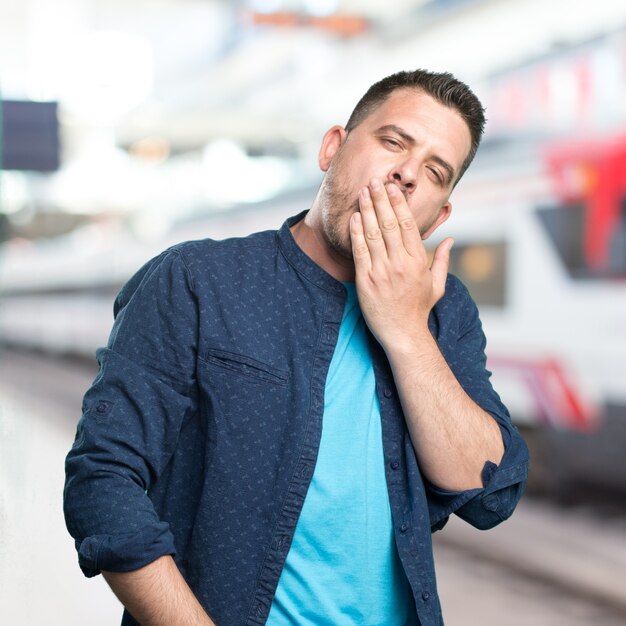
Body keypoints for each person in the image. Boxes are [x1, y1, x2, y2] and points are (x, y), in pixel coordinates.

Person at [64, 69, 529, 626]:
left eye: (434, 172)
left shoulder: (443, 307)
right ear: (332, 148)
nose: (407, 173)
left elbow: (488, 494)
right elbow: (103, 482)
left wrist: (406, 330)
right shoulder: (197, 279)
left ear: (438, 214)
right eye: (392, 142)